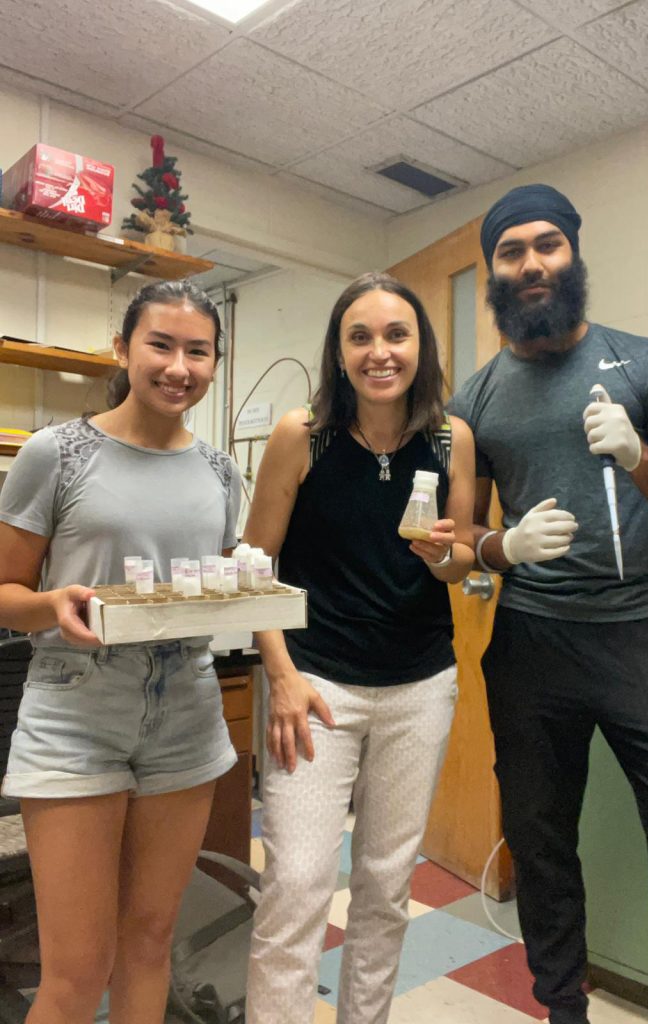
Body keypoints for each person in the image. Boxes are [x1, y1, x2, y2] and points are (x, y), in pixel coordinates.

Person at [448, 183, 648, 1024]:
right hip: (532, 640)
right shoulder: (474, 400)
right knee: (541, 850)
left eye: (548, 245)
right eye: (511, 251)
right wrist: (500, 549)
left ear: (574, 253)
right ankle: (562, 1011)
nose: (532, 262)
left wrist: (640, 455)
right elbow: (454, 542)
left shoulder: (647, 365)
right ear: (495, 270)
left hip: (639, 634)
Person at [0, 280, 241, 1024]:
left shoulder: (222, 472)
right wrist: (50, 605)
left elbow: (223, 579)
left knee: (152, 942)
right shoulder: (57, 454)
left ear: (213, 361)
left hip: (188, 710)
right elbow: (5, 587)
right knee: (75, 971)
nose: (178, 366)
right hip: (77, 707)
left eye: (197, 351)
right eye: (160, 345)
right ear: (123, 349)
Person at [244, 272, 475, 1024]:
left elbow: (460, 557)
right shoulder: (300, 435)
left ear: (421, 346)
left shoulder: (451, 439)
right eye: (361, 336)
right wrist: (279, 674)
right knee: (298, 883)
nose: (381, 352)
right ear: (339, 352)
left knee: (385, 885)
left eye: (397, 335)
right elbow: (254, 568)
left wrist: (443, 554)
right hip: (316, 685)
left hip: (419, 686)